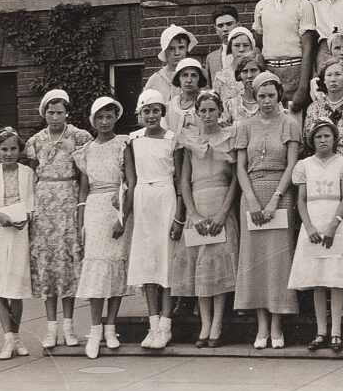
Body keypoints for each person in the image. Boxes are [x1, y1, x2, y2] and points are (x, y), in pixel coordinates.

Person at [234, 71, 302, 349]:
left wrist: (275, 198)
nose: (266, 101)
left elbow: (291, 164)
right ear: (254, 96)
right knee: (256, 262)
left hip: (279, 195)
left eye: (271, 96)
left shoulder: (289, 124)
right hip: (251, 194)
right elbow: (240, 166)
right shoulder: (245, 126)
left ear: (279, 95)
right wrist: (251, 198)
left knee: (277, 262)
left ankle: (277, 324)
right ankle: (261, 324)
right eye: (261, 96)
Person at [288, 119, 343, 352]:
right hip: (313, 224)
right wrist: (308, 226)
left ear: (335, 138)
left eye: (327, 136)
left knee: (335, 279)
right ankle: (321, 331)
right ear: (312, 140)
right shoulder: (305, 165)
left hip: (335, 224)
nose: (323, 140)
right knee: (318, 281)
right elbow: (301, 200)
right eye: (318, 137)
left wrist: (333, 225)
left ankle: (336, 332)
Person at [25, 90, 90, 353]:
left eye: (59, 112)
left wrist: (81, 205)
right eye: (50, 112)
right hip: (44, 207)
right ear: (44, 113)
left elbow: (85, 174)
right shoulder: (35, 141)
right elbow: (30, 176)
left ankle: (69, 326)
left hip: (68, 202)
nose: (55, 116)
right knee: (48, 265)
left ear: (67, 113)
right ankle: (51, 327)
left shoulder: (79, 136)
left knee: (67, 263)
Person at [176, 91, 240, 348]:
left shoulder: (228, 139)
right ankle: (205, 323)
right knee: (201, 269)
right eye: (203, 111)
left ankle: (217, 324)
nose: (207, 115)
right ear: (197, 113)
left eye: (212, 110)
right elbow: (184, 181)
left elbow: (235, 179)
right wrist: (191, 213)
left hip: (220, 207)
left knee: (218, 267)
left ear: (220, 112)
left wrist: (224, 212)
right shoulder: (191, 142)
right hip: (198, 210)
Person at [75, 97, 132, 359]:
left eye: (109, 116)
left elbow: (131, 181)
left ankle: (111, 326)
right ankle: (95, 328)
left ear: (115, 118)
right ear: (93, 120)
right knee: (96, 268)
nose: (105, 121)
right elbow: (84, 189)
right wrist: (80, 221)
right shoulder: (86, 150)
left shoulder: (124, 144)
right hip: (95, 210)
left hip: (116, 205)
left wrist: (123, 216)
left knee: (115, 266)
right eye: (100, 117)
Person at [123, 92, 180, 352]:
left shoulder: (172, 139)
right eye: (146, 111)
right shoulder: (133, 141)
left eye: (156, 110)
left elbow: (178, 180)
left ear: (162, 112)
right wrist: (127, 212)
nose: (151, 115)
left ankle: (166, 326)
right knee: (147, 264)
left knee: (165, 263)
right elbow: (130, 180)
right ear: (139, 114)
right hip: (144, 201)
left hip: (165, 198)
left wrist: (178, 214)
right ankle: (153, 323)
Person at [0, 128, 37, 361]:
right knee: (0, 287)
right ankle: (8, 339)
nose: (9, 153)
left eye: (13, 149)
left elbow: (32, 203)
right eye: (4, 149)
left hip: (19, 231)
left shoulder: (28, 173)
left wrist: (28, 216)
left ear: (19, 150)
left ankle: (17, 337)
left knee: (16, 287)